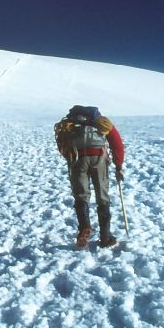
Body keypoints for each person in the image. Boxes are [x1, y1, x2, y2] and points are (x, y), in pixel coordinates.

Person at [54, 105, 125, 249]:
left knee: (81, 195)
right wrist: (118, 166)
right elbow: (117, 144)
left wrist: (70, 157)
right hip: (98, 158)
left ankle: (84, 227)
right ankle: (106, 237)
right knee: (102, 196)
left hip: (78, 159)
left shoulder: (71, 124)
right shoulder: (101, 122)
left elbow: (61, 141)